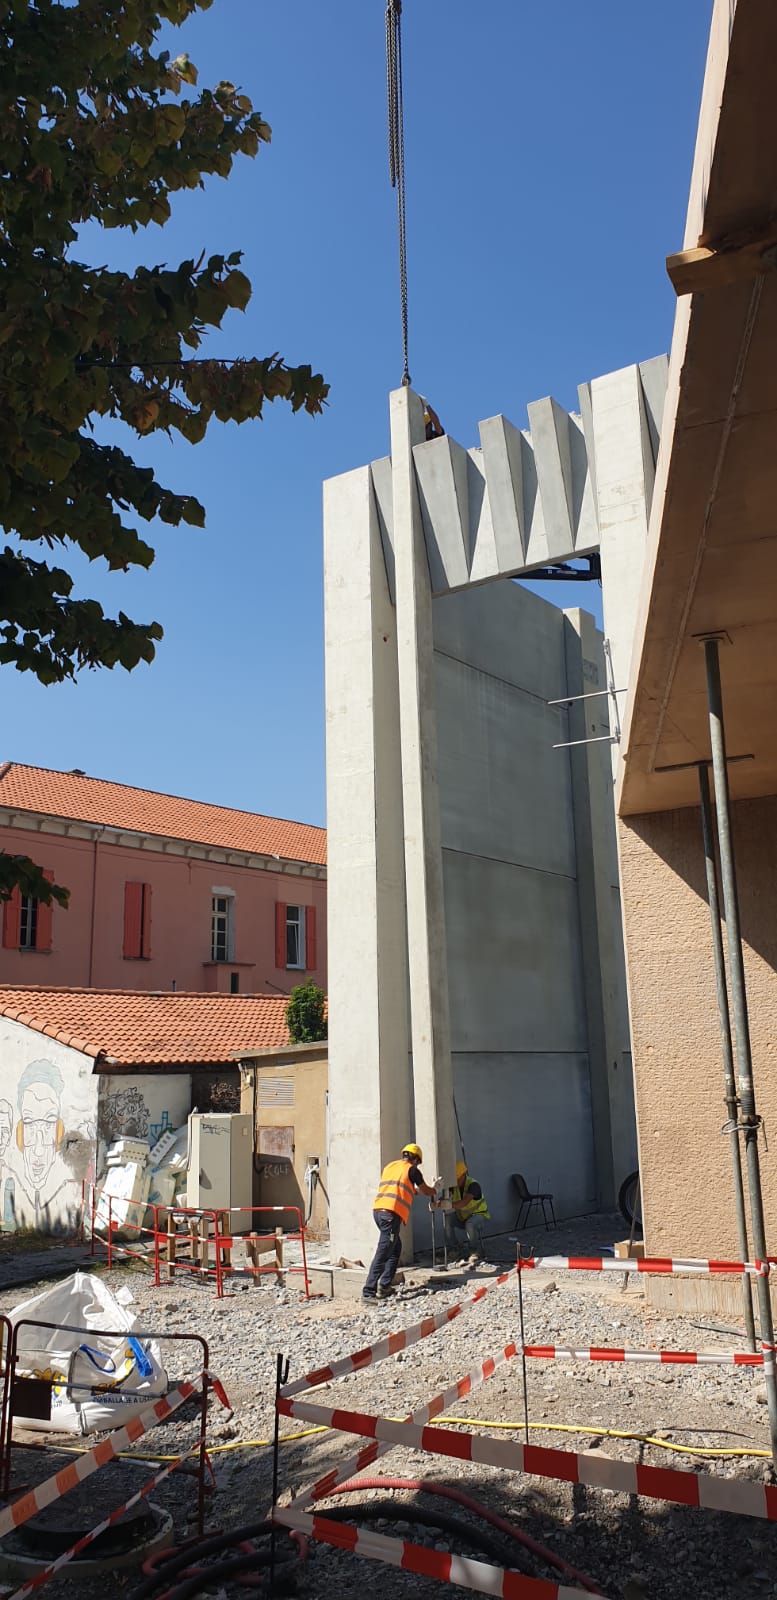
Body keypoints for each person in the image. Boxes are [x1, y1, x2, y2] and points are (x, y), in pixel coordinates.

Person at [363, 1143, 438, 1301]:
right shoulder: (412, 1170)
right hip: (390, 1216)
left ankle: (384, 1286)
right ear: (416, 1159)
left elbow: (399, 1188)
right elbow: (425, 1191)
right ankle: (368, 1292)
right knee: (383, 1252)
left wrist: (413, 1191)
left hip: (378, 1212)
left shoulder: (391, 1166)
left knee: (395, 1248)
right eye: (419, 1161)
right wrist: (435, 1189)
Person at [444, 1160, 490, 1266]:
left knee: (469, 1223)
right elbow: (446, 1197)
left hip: (479, 1216)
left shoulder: (473, 1185)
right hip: (463, 1217)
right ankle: (455, 1250)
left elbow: (464, 1203)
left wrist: (449, 1204)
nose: (455, 1181)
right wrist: (441, 1202)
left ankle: (474, 1252)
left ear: (463, 1175)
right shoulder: (453, 1186)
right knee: (448, 1220)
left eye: (457, 1177)